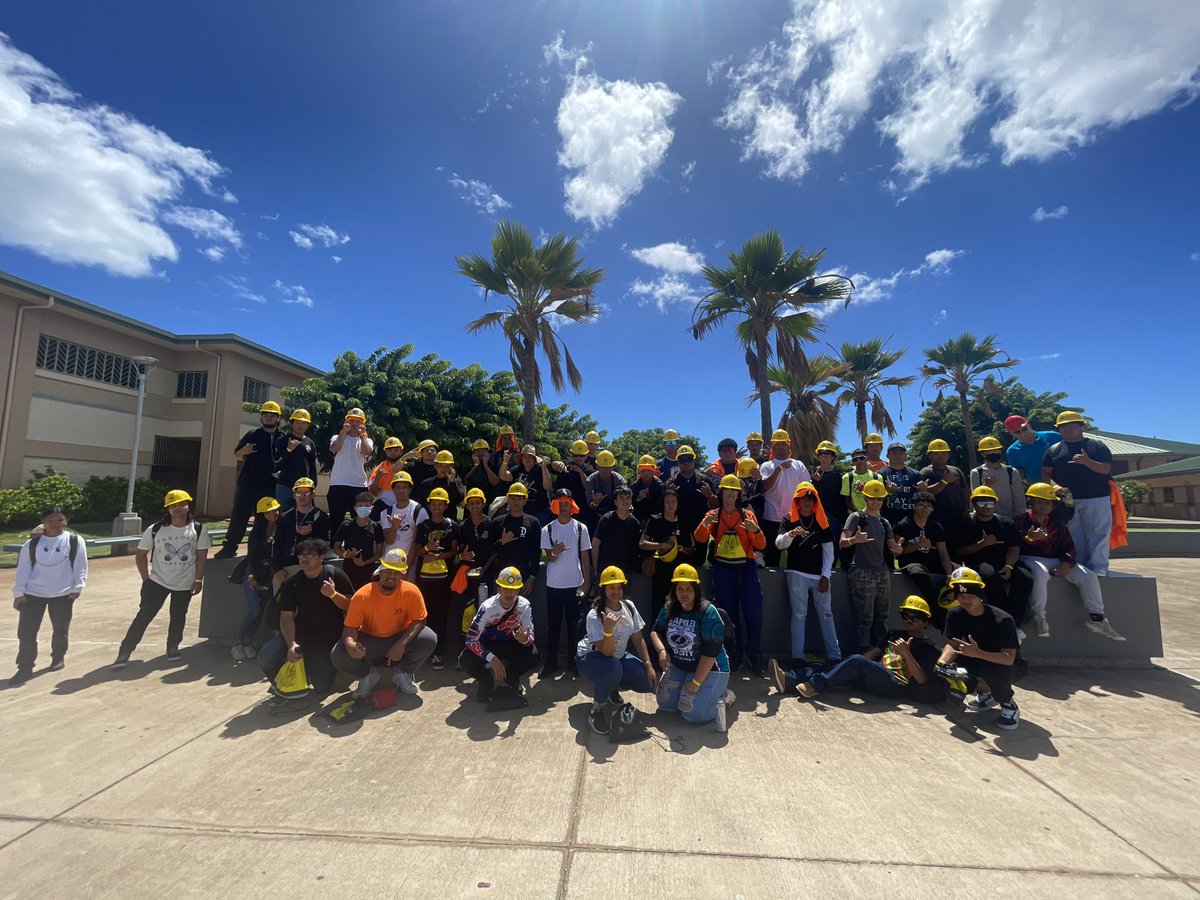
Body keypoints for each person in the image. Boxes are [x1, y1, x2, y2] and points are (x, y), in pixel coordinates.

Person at [771, 596, 946, 705]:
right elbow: (874, 653)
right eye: (905, 616)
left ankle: (815, 686)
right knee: (836, 666)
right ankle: (788, 679)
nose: (909, 620)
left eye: (915, 617)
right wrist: (849, 665)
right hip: (877, 674)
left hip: (896, 685)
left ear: (925, 622)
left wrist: (906, 653)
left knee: (854, 661)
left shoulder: (929, 648)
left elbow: (922, 680)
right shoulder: (894, 633)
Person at [112, 490, 211, 669]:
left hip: (185, 582)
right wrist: (146, 579)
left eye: (181, 504)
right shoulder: (156, 529)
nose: (178, 508)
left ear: (189, 506)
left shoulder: (198, 529)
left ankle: (172, 646)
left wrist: (198, 580)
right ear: (167, 509)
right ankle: (125, 650)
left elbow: (201, 556)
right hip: (158, 582)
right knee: (144, 616)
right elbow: (141, 554)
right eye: (173, 506)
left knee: (178, 616)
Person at [1015, 483, 1123, 640]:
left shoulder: (1057, 524)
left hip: (1056, 559)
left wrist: (1067, 562)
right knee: (1040, 573)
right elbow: (1013, 546)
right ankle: (1039, 617)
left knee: (1088, 576)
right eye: (1039, 501)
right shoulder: (1020, 521)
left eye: (1048, 502)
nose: (1044, 506)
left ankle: (1097, 618)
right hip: (1030, 558)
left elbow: (1069, 547)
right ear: (1030, 502)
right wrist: (1028, 539)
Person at [332, 548, 437, 697]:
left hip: (399, 635)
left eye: (397, 573)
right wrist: (350, 644)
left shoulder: (411, 591)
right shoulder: (362, 595)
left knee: (429, 639)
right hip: (370, 639)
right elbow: (350, 627)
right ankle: (367, 676)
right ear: (380, 572)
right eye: (388, 571)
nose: (392, 576)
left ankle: (404, 674)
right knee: (339, 653)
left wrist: (401, 644)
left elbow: (420, 619)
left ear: (403, 575)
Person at [257, 538, 353, 696]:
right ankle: (285, 684)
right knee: (266, 657)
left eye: (310, 554)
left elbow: (351, 605)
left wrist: (333, 594)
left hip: (327, 639)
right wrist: (291, 644)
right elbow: (286, 617)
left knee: (322, 688)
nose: (304, 558)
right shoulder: (291, 583)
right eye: (301, 554)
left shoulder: (334, 575)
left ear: (322, 557)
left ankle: (316, 673)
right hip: (300, 636)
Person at [694, 474, 767, 674]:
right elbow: (700, 539)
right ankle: (733, 655)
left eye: (733, 492)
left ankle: (754, 655)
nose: (730, 496)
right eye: (727, 492)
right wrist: (704, 522)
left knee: (754, 614)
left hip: (747, 568)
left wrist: (756, 530)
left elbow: (761, 545)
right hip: (723, 570)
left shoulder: (747, 516)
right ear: (721, 493)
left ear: (738, 495)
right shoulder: (713, 515)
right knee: (728, 616)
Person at [936, 567, 1025, 730]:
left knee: (995, 671)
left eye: (970, 595)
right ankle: (987, 693)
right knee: (950, 671)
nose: (965, 600)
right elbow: (952, 643)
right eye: (961, 596)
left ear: (980, 595)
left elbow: (1008, 658)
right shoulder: (955, 614)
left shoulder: (1003, 619)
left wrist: (978, 653)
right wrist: (941, 663)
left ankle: (1009, 705)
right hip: (973, 656)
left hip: (1007, 666)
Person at [10, 506, 88, 684]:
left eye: (59, 519)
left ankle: (58, 657)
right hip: (33, 594)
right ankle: (25, 667)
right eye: (50, 520)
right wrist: (19, 593)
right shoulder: (31, 545)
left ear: (65, 521)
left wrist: (77, 587)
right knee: (26, 633)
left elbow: (80, 565)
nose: (55, 524)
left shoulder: (75, 541)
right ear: (43, 522)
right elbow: (23, 570)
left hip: (62, 594)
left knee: (61, 629)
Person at [576, 566, 657, 734]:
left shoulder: (629, 606)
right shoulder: (595, 614)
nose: (616, 591)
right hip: (589, 659)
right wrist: (608, 630)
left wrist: (648, 666)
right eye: (611, 587)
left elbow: (638, 638)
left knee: (646, 682)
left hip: (617, 657)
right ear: (603, 589)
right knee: (613, 666)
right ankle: (596, 710)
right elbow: (606, 652)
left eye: (619, 587)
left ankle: (611, 687)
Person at [649, 564, 732, 726]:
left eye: (689, 588)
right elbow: (655, 631)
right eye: (680, 589)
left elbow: (710, 653)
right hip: (682, 666)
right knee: (665, 704)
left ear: (696, 590)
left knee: (693, 715)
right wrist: (661, 650)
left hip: (711, 669)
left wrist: (695, 683)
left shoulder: (708, 612)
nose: (684, 593)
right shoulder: (669, 608)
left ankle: (724, 697)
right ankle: (701, 691)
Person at [1042, 410, 1115, 575]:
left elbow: (1106, 469)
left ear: (1081, 427)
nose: (1067, 430)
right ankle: (1078, 565)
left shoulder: (1097, 446)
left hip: (1096, 497)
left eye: (1072, 426)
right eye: (1063, 427)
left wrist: (1087, 462)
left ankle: (1099, 567)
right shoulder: (1054, 450)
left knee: (1098, 534)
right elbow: (1046, 472)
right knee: (1073, 534)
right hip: (1068, 500)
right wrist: (1053, 486)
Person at [774, 482, 839, 668]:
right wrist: (791, 534)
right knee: (799, 614)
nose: (807, 501)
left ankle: (835, 656)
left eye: (810, 498)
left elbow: (829, 550)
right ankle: (798, 657)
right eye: (803, 498)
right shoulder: (789, 519)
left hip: (819, 575)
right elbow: (779, 544)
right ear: (797, 500)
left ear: (815, 500)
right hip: (796, 573)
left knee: (826, 613)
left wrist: (826, 575)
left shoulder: (821, 520)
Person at [954, 485, 1034, 632]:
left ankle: (1014, 624)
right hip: (978, 563)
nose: (986, 507)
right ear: (973, 504)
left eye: (990, 503)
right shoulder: (966, 524)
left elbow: (1014, 548)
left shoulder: (1006, 523)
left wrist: (1008, 566)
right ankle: (1002, 620)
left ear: (995, 504)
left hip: (1005, 563)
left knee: (1026, 577)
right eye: (981, 503)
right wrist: (982, 544)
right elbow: (960, 551)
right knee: (990, 576)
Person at [459, 566, 540, 710]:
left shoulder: (524, 605)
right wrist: (492, 659)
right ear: (498, 589)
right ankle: (486, 680)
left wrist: (525, 640)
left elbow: (530, 636)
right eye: (505, 589)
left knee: (533, 655)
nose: (509, 593)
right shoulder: (487, 607)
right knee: (465, 659)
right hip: (488, 645)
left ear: (519, 590)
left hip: (511, 643)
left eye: (513, 589)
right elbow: (471, 640)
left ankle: (510, 675)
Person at [215, 400, 286, 558]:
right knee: (239, 516)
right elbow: (237, 455)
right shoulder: (252, 435)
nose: (268, 417)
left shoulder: (282, 438)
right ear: (261, 418)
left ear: (278, 418)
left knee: (266, 519)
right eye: (265, 415)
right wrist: (243, 451)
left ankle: (264, 549)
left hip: (269, 486)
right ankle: (230, 547)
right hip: (247, 484)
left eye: (272, 415)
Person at [840, 480, 903, 654]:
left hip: (882, 572)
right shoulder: (856, 517)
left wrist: (897, 549)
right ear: (865, 498)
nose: (876, 502)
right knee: (864, 617)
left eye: (880, 499)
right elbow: (842, 542)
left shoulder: (884, 522)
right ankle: (863, 652)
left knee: (882, 616)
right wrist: (854, 540)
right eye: (872, 499)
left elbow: (892, 547)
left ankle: (880, 650)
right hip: (861, 571)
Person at [539, 488, 592, 676]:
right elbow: (550, 559)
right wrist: (556, 551)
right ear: (555, 505)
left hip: (574, 584)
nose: (563, 507)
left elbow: (585, 557)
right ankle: (551, 662)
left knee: (574, 626)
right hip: (553, 585)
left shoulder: (580, 528)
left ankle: (573, 661)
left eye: (566, 503)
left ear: (572, 506)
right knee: (553, 625)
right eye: (560, 503)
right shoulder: (548, 529)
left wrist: (586, 582)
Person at [413, 487, 460, 670]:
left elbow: (454, 551)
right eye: (434, 504)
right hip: (424, 579)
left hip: (444, 579)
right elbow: (416, 552)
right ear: (429, 505)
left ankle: (438, 653)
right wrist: (427, 549)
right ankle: (424, 652)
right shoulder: (422, 526)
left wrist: (437, 557)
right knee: (424, 615)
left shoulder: (452, 525)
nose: (437, 507)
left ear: (446, 505)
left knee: (441, 616)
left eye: (441, 504)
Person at [893, 491, 956, 622]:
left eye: (928, 506)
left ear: (932, 509)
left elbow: (943, 552)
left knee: (961, 574)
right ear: (914, 507)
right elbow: (899, 551)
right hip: (911, 563)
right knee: (918, 572)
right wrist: (918, 545)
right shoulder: (902, 526)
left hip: (933, 563)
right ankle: (936, 612)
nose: (924, 508)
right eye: (921, 505)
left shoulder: (936, 527)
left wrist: (950, 575)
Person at [639, 487, 697, 628]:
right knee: (659, 608)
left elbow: (691, 550)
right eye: (667, 502)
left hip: (679, 575)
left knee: (679, 609)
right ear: (663, 503)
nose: (670, 505)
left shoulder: (683, 524)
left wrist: (679, 548)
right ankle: (656, 646)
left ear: (677, 504)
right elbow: (642, 544)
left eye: (673, 501)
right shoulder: (654, 520)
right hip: (660, 573)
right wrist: (661, 546)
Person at [757, 429, 811, 567]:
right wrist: (778, 469)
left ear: (789, 446)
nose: (781, 447)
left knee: (797, 558)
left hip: (794, 518)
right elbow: (765, 487)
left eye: (783, 444)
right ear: (773, 448)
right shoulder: (767, 466)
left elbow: (806, 490)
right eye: (777, 444)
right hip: (771, 518)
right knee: (772, 559)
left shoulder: (798, 465)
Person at [234, 497, 279, 660]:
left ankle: (250, 642)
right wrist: (251, 577)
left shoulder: (280, 529)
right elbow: (251, 557)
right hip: (253, 574)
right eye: (268, 511)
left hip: (270, 574)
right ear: (261, 514)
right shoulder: (256, 533)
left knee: (262, 611)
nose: (273, 513)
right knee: (254, 610)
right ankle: (239, 643)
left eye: (274, 510)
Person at [272, 478, 331, 581]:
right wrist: (277, 569)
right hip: (288, 568)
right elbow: (277, 544)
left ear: (313, 495)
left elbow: (325, 544)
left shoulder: (320, 516)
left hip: (313, 568)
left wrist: (311, 534)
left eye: (306, 493)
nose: (302, 497)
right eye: (299, 493)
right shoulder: (285, 517)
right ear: (294, 495)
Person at [326, 408, 375, 531]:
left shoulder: (367, 440)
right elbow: (334, 448)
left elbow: (366, 451)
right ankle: (334, 547)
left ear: (363, 424)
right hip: (338, 484)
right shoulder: (337, 437)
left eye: (358, 421)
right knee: (336, 520)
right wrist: (343, 432)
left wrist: (363, 436)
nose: (354, 424)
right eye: (351, 420)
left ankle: (359, 546)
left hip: (358, 485)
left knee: (360, 520)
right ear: (346, 422)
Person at [491, 483, 542, 596]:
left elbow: (536, 552)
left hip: (523, 578)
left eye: (519, 499)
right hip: (501, 577)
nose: (516, 502)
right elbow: (490, 550)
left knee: (521, 611)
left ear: (525, 501)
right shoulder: (497, 522)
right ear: (508, 500)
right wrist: (502, 542)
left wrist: (532, 577)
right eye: (513, 498)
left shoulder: (533, 523)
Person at [332, 492, 386, 592]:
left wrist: (364, 563)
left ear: (372, 508)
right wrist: (345, 554)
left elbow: (379, 553)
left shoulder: (376, 527)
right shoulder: (346, 525)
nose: (363, 508)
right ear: (355, 508)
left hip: (368, 570)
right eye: (360, 506)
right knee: (349, 596)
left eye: (366, 506)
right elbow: (336, 548)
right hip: (349, 569)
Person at [376, 471, 428, 572]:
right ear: (393, 490)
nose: (401, 490)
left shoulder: (419, 511)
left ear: (409, 490)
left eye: (405, 487)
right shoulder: (386, 512)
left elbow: (416, 543)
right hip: (389, 563)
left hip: (410, 564)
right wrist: (394, 526)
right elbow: (389, 541)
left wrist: (406, 568)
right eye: (398, 487)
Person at [918, 439, 969, 531]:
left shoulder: (956, 470)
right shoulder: (926, 472)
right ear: (930, 456)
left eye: (943, 453)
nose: (940, 456)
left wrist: (966, 509)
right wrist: (944, 482)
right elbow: (925, 493)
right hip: (936, 519)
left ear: (948, 455)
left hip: (958, 517)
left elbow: (964, 491)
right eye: (936, 453)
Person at [663, 445, 715, 538]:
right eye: (682, 459)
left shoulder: (705, 480)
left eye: (689, 459)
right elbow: (661, 509)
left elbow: (718, 505)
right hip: (679, 528)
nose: (686, 462)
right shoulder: (671, 483)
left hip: (701, 526)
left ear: (694, 460)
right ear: (677, 462)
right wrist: (669, 496)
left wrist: (709, 495)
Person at [591, 486, 642, 578]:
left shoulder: (634, 523)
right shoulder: (606, 519)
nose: (625, 501)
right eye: (621, 498)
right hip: (606, 570)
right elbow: (595, 544)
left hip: (626, 572)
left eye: (628, 498)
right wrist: (596, 569)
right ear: (615, 502)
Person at [970, 436, 1025, 519]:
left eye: (996, 450)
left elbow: (1019, 497)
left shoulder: (1011, 471)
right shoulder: (977, 473)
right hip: (986, 518)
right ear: (982, 453)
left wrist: (1020, 517)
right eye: (989, 451)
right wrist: (986, 485)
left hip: (1010, 517)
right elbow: (976, 498)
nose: (994, 453)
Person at [276, 409, 318, 509]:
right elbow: (277, 464)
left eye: (304, 423)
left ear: (307, 426)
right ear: (291, 424)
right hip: (285, 485)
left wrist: (313, 486)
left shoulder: (310, 443)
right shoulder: (283, 440)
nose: (300, 425)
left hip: (304, 487)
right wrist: (288, 450)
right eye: (297, 422)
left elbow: (312, 467)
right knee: (283, 516)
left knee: (304, 516)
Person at [501, 445, 553, 524]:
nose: (527, 459)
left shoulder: (540, 470)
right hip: (520, 511)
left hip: (539, 510)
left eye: (530, 457)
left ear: (534, 459)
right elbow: (503, 476)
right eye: (525, 457)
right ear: (521, 459)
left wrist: (544, 468)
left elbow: (548, 486)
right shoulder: (517, 469)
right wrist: (505, 462)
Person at [1004, 414, 1060, 486]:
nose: (1023, 433)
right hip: (1039, 491)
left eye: (1024, 429)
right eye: (1017, 432)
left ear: (1029, 425)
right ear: (1011, 433)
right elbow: (1018, 473)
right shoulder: (1012, 451)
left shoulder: (1053, 436)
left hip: (1065, 484)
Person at [880, 442, 921, 527]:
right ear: (887, 456)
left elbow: (921, 498)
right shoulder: (880, 474)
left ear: (906, 455)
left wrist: (924, 491)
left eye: (901, 452)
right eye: (894, 452)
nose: (898, 455)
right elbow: (873, 498)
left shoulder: (916, 474)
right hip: (887, 520)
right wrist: (888, 492)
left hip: (910, 520)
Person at [551, 440, 594, 520]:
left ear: (586, 456)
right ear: (571, 455)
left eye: (582, 455)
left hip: (581, 510)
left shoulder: (589, 469)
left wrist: (580, 471)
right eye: (576, 455)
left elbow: (589, 487)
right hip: (560, 507)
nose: (579, 458)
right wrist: (557, 463)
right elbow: (553, 466)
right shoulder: (565, 464)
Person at [416, 450, 466, 517]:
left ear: (451, 467)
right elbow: (420, 505)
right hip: (429, 521)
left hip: (449, 521)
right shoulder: (426, 483)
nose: (443, 468)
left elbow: (459, 500)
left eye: (446, 466)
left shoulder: (455, 482)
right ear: (435, 465)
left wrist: (452, 483)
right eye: (440, 465)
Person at [584, 450, 627, 522]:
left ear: (613, 467)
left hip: (616, 514)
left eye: (608, 467)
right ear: (597, 467)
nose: (605, 470)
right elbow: (590, 507)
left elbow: (625, 504)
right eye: (602, 467)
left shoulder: (620, 481)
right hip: (596, 515)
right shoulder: (590, 481)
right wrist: (595, 503)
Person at [841, 449, 885, 516]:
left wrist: (864, 491)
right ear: (853, 462)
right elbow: (847, 500)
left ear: (867, 458)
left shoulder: (877, 477)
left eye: (861, 458)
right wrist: (859, 513)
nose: (858, 460)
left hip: (874, 515)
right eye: (855, 459)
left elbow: (880, 498)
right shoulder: (847, 477)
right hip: (855, 516)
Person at [367, 437, 407, 508]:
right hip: (383, 504)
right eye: (390, 450)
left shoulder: (408, 467)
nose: (393, 453)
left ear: (401, 452)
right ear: (386, 452)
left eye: (396, 450)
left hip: (404, 504)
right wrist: (378, 477)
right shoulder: (380, 467)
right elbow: (373, 492)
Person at [463, 439, 503, 503]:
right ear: (473, 454)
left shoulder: (493, 465)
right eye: (477, 451)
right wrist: (475, 466)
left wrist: (485, 465)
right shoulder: (469, 466)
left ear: (488, 453)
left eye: (483, 451)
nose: (480, 453)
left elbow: (495, 482)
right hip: (472, 502)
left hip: (489, 501)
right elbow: (466, 481)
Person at [630, 455, 664, 520]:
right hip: (638, 519)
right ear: (639, 471)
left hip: (655, 520)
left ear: (653, 471)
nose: (646, 474)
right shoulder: (634, 487)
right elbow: (630, 508)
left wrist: (648, 520)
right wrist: (638, 499)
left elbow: (660, 507)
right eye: (643, 471)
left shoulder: (659, 486)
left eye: (648, 471)